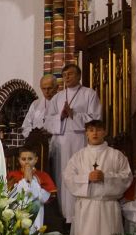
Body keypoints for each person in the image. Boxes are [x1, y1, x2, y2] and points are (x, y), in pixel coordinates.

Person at [64, 119, 132, 235]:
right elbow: (68, 178)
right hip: (86, 207)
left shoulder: (116, 155)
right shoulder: (78, 156)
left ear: (105, 132)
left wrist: (106, 177)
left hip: (108, 206)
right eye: (91, 130)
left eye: (98, 130)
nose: (94, 133)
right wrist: (87, 178)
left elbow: (126, 177)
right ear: (86, 133)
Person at [44, 63, 102, 224]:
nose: (67, 77)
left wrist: (74, 114)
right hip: (60, 142)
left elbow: (96, 118)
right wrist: (60, 117)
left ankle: (78, 215)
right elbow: (47, 121)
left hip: (80, 140)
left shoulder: (89, 94)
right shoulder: (58, 97)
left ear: (79, 76)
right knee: (62, 176)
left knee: (79, 173)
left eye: (70, 74)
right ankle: (63, 215)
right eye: (64, 75)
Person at [7, 147, 57, 232]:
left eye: (30, 159)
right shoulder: (13, 175)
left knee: (34, 233)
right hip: (17, 211)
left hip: (37, 213)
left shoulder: (43, 176)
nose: (26, 162)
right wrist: (25, 180)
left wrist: (31, 181)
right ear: (19, 160)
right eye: (23, 159)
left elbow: (43, 198)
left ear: (36, 159)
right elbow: (11, 196)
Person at [20, 73, 59, 138]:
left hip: (57, 141)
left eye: (49, 88)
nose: (46, 92)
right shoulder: (36, 104)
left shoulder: (63, 103)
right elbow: (26, 126)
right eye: (44, 88)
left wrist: (52, 133)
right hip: (38, 142)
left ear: (57, 87)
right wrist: (35, 134)